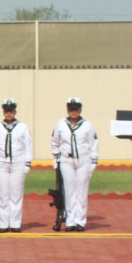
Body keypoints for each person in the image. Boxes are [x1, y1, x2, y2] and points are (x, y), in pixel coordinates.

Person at [50, 97, 98, 232]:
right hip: (67, 161)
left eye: (76, 108)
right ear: (67, 110)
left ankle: (80, 221)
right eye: (71, 109)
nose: (73, 111)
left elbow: (93, 144)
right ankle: (70, 221)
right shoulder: (61, 124)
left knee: (81, 191)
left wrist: (94, 161)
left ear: (80, 109)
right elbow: (55, 142)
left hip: (83, 160)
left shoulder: (87, 125)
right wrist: (56, 158)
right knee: (69, 191)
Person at [0, 99, 32, 232]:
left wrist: (28, 163)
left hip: (18, 161)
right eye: (6, 111)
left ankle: (15, 224)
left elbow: (28, 145)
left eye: (11, 110)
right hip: (2, 162)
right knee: (3, 193)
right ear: (3, 112)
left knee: (16, 193)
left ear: (15, 112)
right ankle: (3, 224)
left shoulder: (22, 127)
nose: (9, 113)